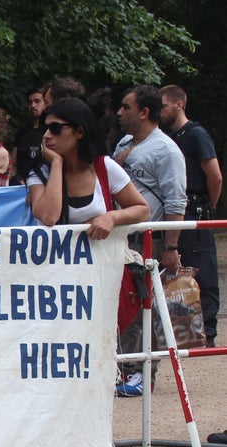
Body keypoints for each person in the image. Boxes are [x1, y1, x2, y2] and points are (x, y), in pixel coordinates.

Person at [113, 85, 187, 397]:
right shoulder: (125, 143)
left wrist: (170, 246)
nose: (119, 112)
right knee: (122, 307)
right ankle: (123, 368)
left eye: (126, 107)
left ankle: (143, 373)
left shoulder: (167, 150)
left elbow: (176, 201)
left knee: (146, 308)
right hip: (121, 237)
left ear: (144, 112)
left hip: (149, 240)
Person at [27, 98, 149, 234]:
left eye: (56, 128)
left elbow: (143, 209)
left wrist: (111, 217)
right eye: (45, 128)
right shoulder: (39, 174)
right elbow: (49, 218)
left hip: (101, 254)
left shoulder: (103, 167)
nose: (47, 135)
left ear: (79, 132)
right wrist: (56, 163)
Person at [160, 85, 222, 347]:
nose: (160, 111)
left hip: (195, 206)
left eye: (163, 105)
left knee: (202, 273)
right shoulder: (166, 136)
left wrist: (209, 207)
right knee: (173, 272)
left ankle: (207, 334)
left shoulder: (196, 135)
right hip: (175, 210)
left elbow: (215, 176)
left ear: (178, 104)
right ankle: (181, 333)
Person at [12, 88, 46, 184]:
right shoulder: (22, 133)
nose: (33, 105)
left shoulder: (49, 132)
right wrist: (17, 179)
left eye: (37, 101)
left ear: (45, 103)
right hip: (21, 186)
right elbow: (12, 163)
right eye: (30, 102)